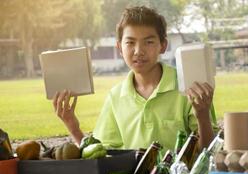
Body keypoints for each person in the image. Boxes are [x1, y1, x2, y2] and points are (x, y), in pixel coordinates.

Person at [53, 6, 214, 151]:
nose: (138, 51)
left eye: (149, 42)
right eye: (130, 42)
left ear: (163, 45)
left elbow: (207, 153)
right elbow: (100, 156)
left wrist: (203, 115)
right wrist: (73, 127)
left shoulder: (190, 88)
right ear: (120, 48)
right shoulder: (116, 97)